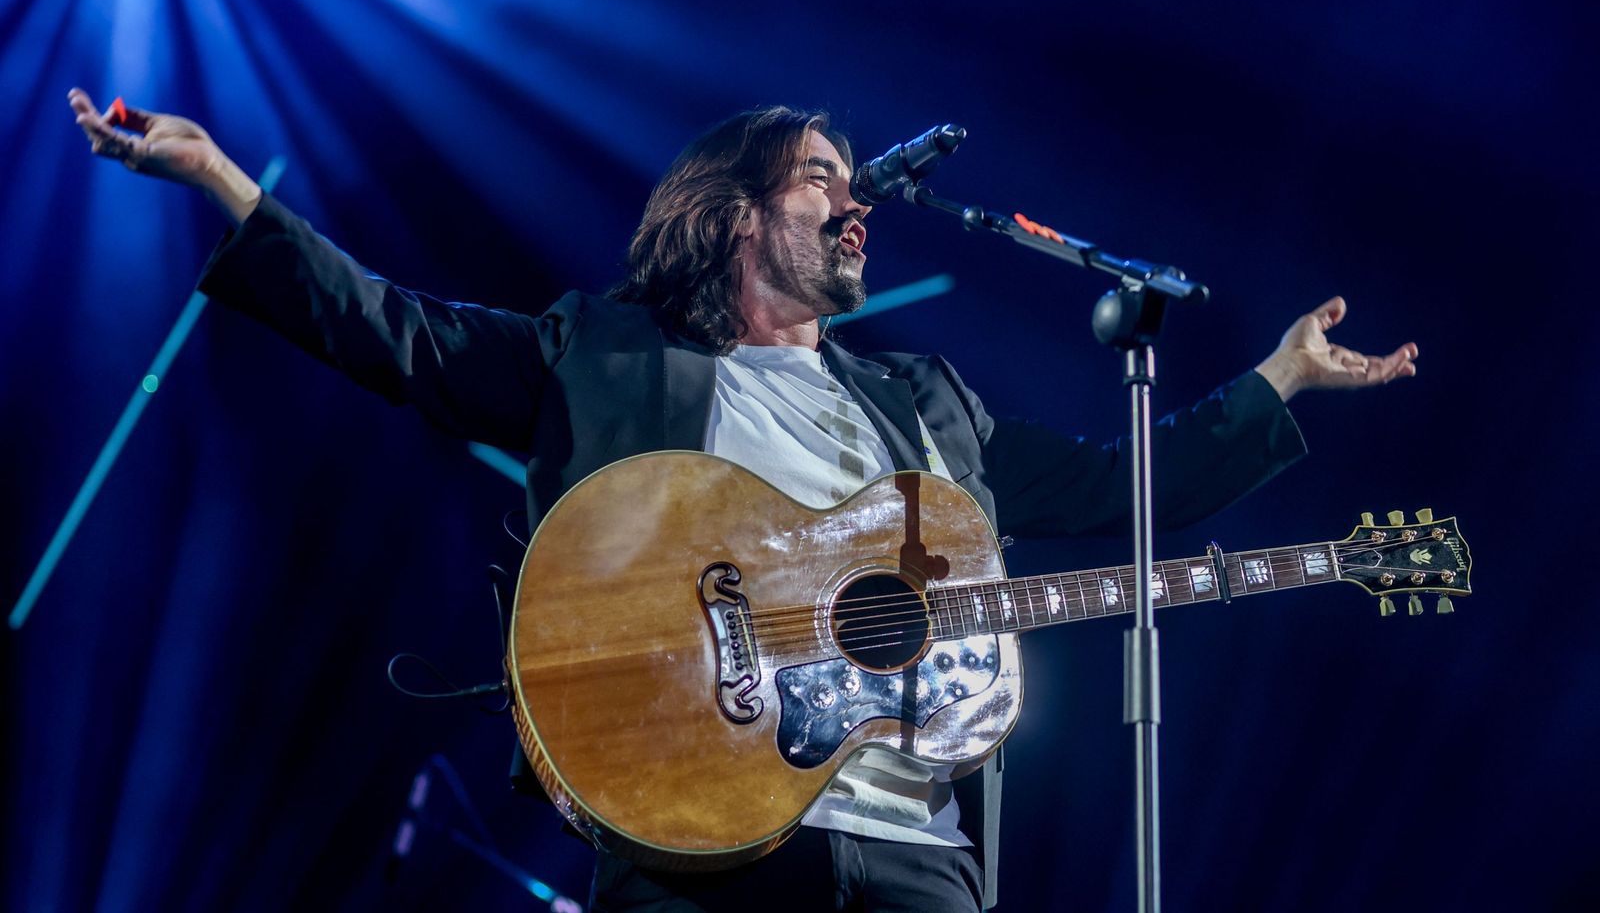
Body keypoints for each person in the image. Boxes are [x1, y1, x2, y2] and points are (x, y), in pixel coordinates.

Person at [67, 88, 1417, 912]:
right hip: (699, 842)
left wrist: (1279, 378)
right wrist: (222, 186)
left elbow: (1129, 491)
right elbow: (394, 331)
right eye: (821, 177)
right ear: (729, 214)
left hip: (917, 853)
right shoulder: (604, 352)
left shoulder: (928, 403)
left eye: (850, 179)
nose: (854, 201)